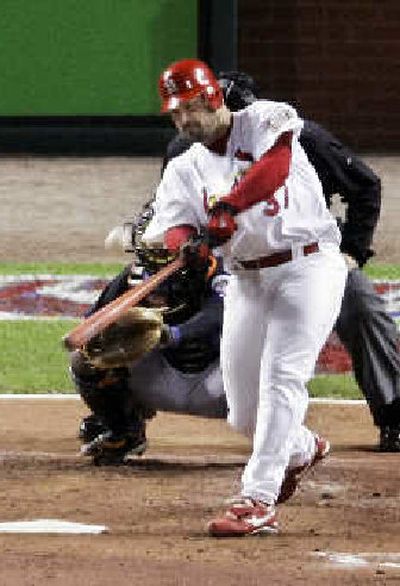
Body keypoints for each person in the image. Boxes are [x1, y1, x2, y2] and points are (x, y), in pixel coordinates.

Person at [142, 58, 347, 537]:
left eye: (195, 106)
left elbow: (273, 169)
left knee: (283, 376)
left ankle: (256, 499)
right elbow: (175, 226)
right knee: (243, 413)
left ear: (216, 97)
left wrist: (231, 205)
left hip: (308, 266)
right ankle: (299, 448)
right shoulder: (184, 167)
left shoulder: (265, 119)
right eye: (177, 113)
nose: (187, 119)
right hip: (247, 281)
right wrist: (189, 249)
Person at [164, 70, 400, 453]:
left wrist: (353, 252)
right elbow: (177, 214)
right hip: (236, 264)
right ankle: (125, 412)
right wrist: (187, 247)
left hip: (307, 253)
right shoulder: (186, 151)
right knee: (183, 303)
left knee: (361, 307)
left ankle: (393, 415)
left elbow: (366, 186)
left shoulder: (300, 137)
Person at [70, 198, 228, 465]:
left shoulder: (223, 270)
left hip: (225, 388)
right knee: (86, 358)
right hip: (162, 381)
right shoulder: (134, 278)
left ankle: (277, 438)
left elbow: (219, 313)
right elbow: (91, 325)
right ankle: (123, 429)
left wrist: (172, 334)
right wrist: (106, 334)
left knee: (270, 353)